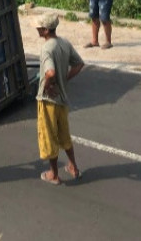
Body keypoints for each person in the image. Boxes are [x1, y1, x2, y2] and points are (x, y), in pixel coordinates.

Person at [35, 12, 86, 185]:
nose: (37, 29)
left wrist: (49, 85)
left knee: (49, 137)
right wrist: (65, 79)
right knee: (64, 135)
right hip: (63, 99)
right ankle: (73, 166)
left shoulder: (47, 48)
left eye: (40, 27)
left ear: (46, 30)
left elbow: (50, 72)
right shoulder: (64, 43)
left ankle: (54, 174)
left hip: (48, 100)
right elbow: (79, 64)